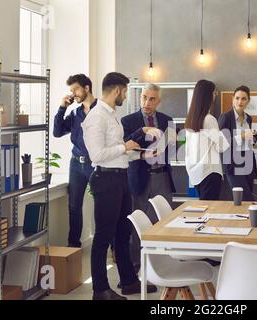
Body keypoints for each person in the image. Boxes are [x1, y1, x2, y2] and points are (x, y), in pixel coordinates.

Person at [82, 72, 156, 300]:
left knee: (123, 234)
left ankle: (129, 280)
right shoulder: (97, 117)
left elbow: (118, 154)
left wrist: (142, 156)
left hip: (120, 177)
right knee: (104, 237)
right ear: (117, 91)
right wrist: (125, 147)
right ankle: (100, 290)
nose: (126, 95)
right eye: (125, 91)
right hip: (106, 180)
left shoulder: (112, 115)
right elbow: (97, 155)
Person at [121, 83, 176, 271]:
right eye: (144, 97)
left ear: (158, 101)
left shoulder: (167, 120)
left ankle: (163, 260)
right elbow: (125, 147)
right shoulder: (128, 121)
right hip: (139, 177)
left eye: (152, 98)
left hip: (162, 176)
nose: (147, 102)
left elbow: (175, 151)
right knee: (139, 221)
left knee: (164, 220)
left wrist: (177, 141)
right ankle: (137, 263)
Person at [53, 74, 97, 248]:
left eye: (76, 89)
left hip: (96, 164)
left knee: (103, 205)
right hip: (76, 165)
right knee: (74, 207)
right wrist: (62, 108)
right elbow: (57, 133)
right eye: (71, 91)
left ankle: (110, 246)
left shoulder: (101, 110)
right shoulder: (75, 113)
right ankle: (73, 247)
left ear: (87, 88)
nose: (73, 94)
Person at [185, 79, 229, 200]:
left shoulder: (190, 120)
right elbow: (222, 146)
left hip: (196, 173)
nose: (215, 96)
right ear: (208, 96)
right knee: (210, 210)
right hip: (210, 171)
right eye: (214, 93)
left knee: (205, 208)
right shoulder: (209, 119)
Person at [218, 85, 257, 201]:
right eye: (237, 98)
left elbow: (247, 142)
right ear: (233, 99)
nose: (240, 101)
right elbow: (220, 142)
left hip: (248, 162)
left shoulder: (248, 118)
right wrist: (242, 136)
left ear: (248, 101)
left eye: (244, 99)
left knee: (247, 198)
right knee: (245, 199)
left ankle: (248, 219)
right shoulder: (225, 117)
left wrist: (255, 139)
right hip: (233, 164)